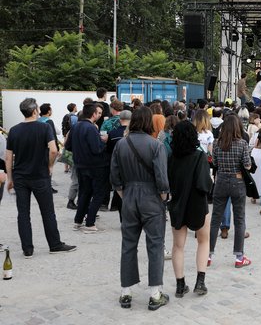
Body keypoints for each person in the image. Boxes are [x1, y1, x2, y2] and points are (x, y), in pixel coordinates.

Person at [110, 106, 170, 311]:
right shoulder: (156, 145)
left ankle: (125, 291)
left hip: (129, 196)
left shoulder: (121, 145)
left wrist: (126, 196)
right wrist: (163, 199)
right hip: (151, 197)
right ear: (149, 123)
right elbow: (162, 180)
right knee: (155, 244)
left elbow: (115, 179)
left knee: (128, 244)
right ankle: (155, 293)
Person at [4, 98, 77, 258]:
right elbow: (53, 150)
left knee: (23, 213)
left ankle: (27, 249)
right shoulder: (44, 128)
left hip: (21, 177)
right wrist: (50, 166)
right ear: (35, 111)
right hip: (40, 176)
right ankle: (54, 244)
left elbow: (8, 158)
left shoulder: (14, 130)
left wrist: (10, 178)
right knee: (47, 212)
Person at [167, 121, 213, 297]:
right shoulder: (199, 156)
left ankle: (180, 285)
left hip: (178, 203)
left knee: (178, 246)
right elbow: (203, 184)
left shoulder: (171, 157)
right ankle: (200, 282)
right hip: (197, 204)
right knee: (203, 241)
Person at [209, 114, 252, 268]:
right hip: (237, 181)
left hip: (220, 180)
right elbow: (247, 165)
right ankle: (239, 257)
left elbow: (214, 162)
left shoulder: (216, 143)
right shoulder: (242, 144)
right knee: (239, 219)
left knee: (215, 219)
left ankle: (208, 254)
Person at [65, 103, 110, 233]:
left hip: (80, 165)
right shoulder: (91, 128)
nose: (99, 115)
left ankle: (78, 221)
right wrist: (104, 142)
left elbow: (68, 146)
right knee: (98, 193)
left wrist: (80, 150)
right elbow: (96, 149)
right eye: (98, 113)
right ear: (93, 114)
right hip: (95, 166)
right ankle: (90, 223)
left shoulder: (76, 126)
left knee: (85, 192)